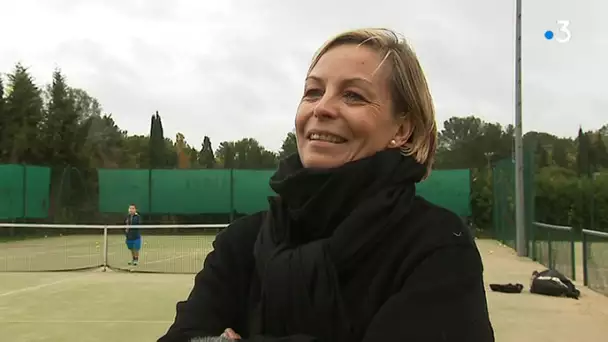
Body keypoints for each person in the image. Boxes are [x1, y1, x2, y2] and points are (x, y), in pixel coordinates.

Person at [159, 28, 494, 342]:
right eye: (313, 92)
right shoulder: (241, 243)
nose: (321, 108)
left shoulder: (436, 245)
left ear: (402, 129)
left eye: (353, 95)